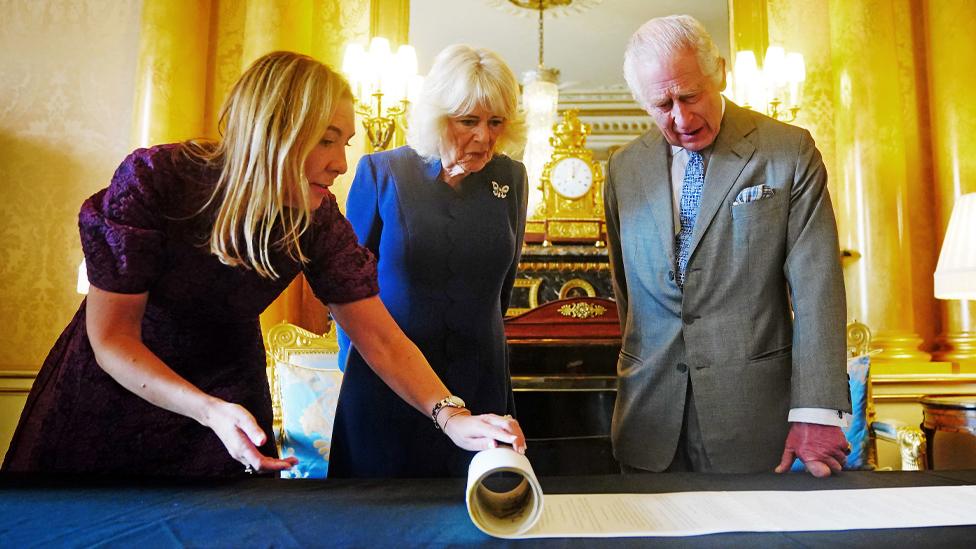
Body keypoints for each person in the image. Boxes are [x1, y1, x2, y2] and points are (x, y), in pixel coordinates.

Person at [3, 51, 525, 477]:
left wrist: (449, 416)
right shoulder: (156, 180)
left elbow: (381, 338)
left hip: (231, 400)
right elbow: (112, 337)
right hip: (117, 392)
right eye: (326, 139)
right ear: (275, 128)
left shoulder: (316, 219)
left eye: (345, 142)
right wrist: (206, 408)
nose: (341, 163)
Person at [604, 15, 851, 477]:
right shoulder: (623, 168)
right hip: (647, 421)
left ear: (717, 71)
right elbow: (627, 293)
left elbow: (817, 289)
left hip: (753, 421)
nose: (680, 117)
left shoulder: (788, 151)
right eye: (662, 104)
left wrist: (815, 411)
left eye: (690, 95)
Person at [331, 44, 527, 477]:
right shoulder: (381, 172)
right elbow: (343, 291)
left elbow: (504, 284)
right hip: (386, 384)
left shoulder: (511, 178)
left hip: (482, 381)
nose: (484, 136)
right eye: (468, 121)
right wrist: (359, 367)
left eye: (496, 122)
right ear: (438, 116)